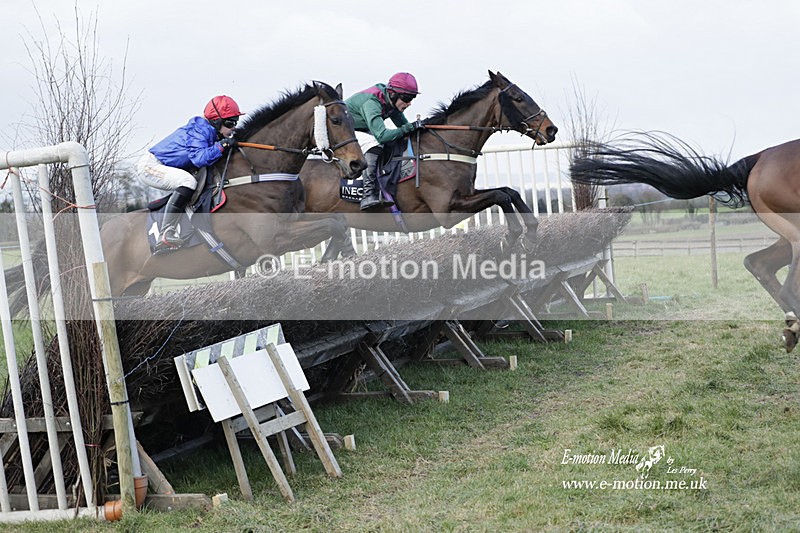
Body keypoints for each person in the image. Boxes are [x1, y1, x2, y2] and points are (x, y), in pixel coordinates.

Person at [136, 95, 243, 251]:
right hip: (150, 167)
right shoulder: (200, 130)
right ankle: (166, 232)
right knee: (187, 181)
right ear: (216, 121)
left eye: (235, 123)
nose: (233, 127)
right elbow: (199, 158)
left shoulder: (211, 132)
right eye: (229, 123)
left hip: (169, 166)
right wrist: (223, 145)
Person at [345, 72, 423, 210]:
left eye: (412, 98)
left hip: (360, 129)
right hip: (343, 131)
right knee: (374, 143)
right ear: (393, 94)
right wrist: (409, 128)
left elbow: (404, 128)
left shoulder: (390, 101)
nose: (409, 103)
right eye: (407, 98)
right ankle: (368, 194)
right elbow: (382, 135)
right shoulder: (372, 102)